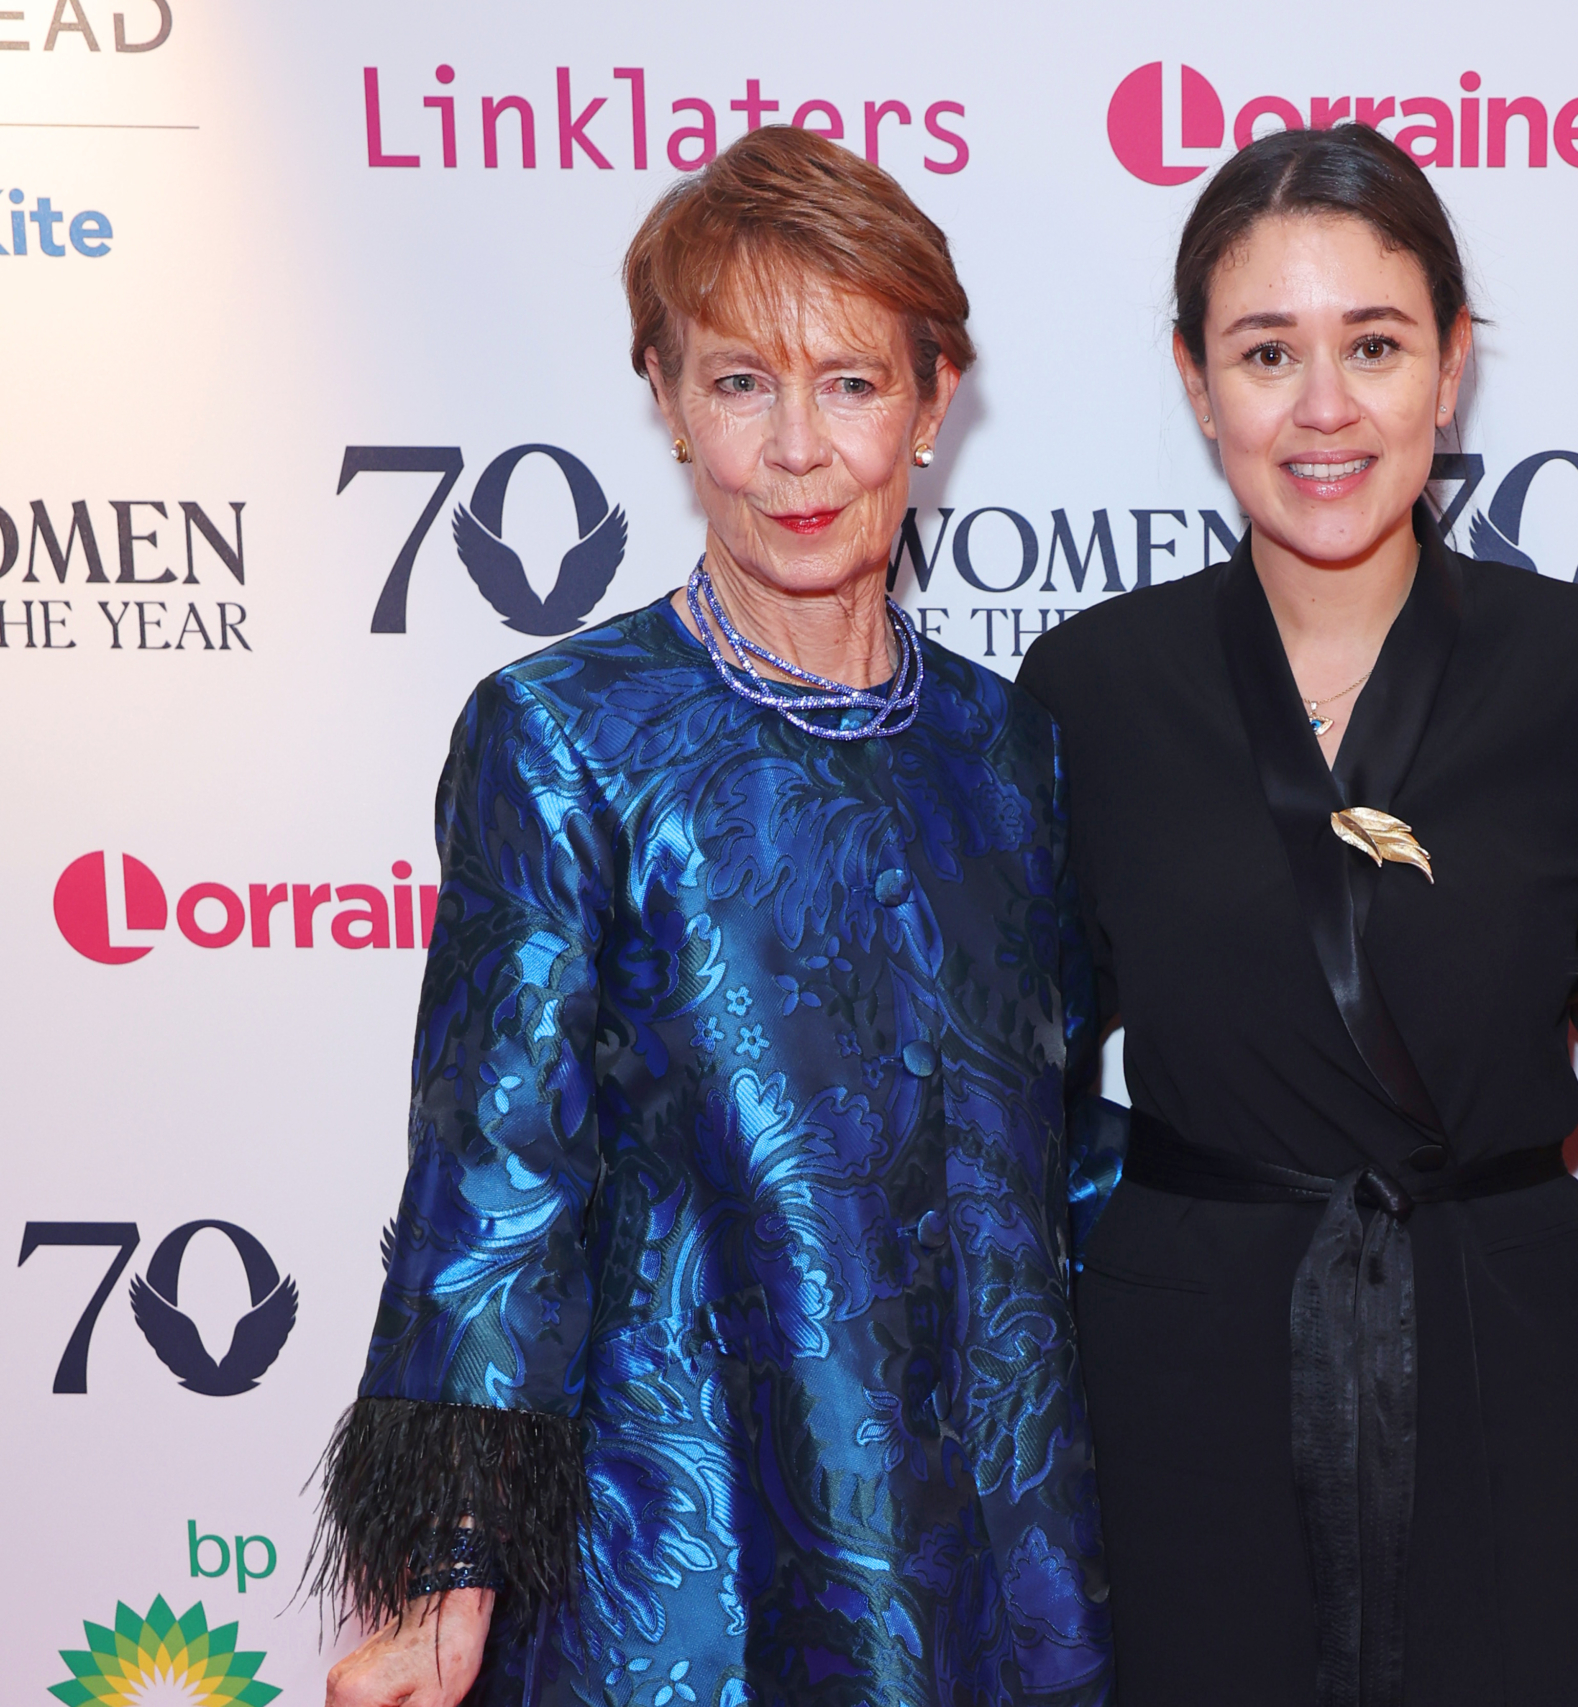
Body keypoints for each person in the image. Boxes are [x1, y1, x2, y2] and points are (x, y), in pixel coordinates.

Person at [313, 126, 1111, 1707]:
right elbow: (498, 1172)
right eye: (742, 382)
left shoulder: (1013, 750)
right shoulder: (566, 737)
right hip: (689, 1555)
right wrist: (447, 1564)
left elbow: (1062, 1155)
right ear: (671, 404)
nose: (799, 450)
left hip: (1004, 1553)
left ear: (935, 402)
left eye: (854, 382)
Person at [1015, 124, 1578, 1707]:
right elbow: (1008, 1081)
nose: (1323, 409)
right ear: (1194, 380)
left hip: (1514, 1343)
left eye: (1375, 346)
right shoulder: (1090, 687)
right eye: (1265, 353)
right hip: (1188, 1363)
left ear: (1450, 369)